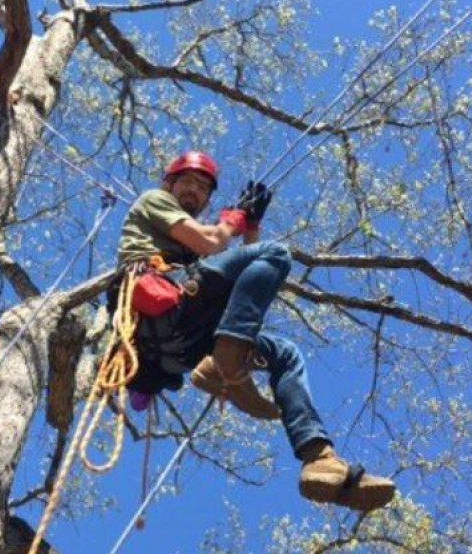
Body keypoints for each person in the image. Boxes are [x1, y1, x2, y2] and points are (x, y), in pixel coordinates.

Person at [115, 151, 396, 511]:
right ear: (169, 184)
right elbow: (213, 243)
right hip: (159, 309)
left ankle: (319, 458)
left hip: (187, 332)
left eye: (202, 188)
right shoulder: (154, 202)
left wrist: (250, 229)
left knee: (285, 354)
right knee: (278, 255)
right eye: (187, 181)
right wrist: (232, 221)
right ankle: (225, 362)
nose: (194, 191)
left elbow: (244, 279)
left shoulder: (198, 255)